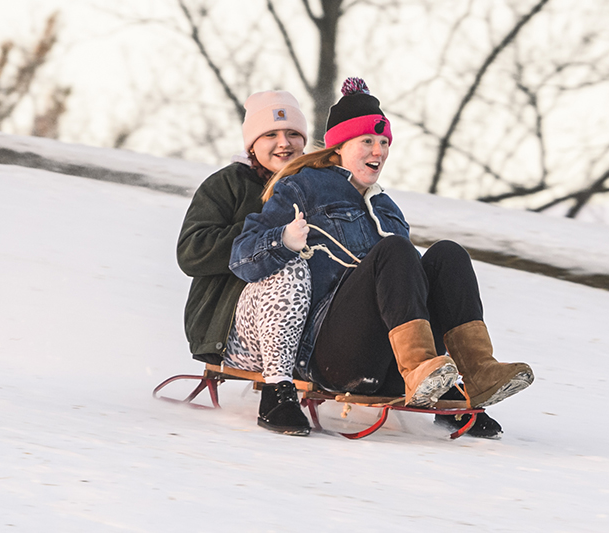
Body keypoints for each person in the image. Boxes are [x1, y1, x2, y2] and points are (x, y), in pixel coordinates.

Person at [230, 78, 534, 437]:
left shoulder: (388, 209)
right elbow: (241, 258)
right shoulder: (304, 187)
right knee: (395, 251)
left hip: (388, 362)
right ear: (341, 146)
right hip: (331, 354)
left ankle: (475, 373)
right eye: (368, 141)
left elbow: (410, 291)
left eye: (384, 142)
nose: (379, 151)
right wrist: (283, 239)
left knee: (447, 255)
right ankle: (421, 369)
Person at [177, 90, 313, 435]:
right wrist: (261, 231)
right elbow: (191, 250)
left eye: (293, 134)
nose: (284, 143)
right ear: (252, 143)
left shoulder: (314, 185)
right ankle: (276, 394)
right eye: (271, 134)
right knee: (283, 260)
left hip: (304, 319)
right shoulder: (228, 184)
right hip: (228, 324)